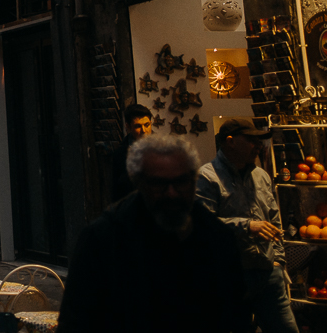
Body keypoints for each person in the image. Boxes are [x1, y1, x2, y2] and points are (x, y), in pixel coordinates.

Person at [58, 133, 250, 332]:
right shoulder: (104, 239)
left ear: (193, 181)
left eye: (181, 182)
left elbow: (236, 314)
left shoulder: (217, 237)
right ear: (139, 183)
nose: (171, 193)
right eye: (159, 184)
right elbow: (76, 321)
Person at [196, 118, 294, 333]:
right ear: (230, 141)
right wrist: (246, 226)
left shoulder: (261, 176)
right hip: (231, 275)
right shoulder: (207, 176)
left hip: (268, 271)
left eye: (259, 141)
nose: (258, 146)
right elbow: (202, 225)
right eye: (251, 140)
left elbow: (274, 219)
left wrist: (278, 260)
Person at [110, 103, 152, 203]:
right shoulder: (120, 154)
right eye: (138, 126)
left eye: (147, 125)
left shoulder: (163, 148)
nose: (144, 131)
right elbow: (115, 191)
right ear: (128, 127)